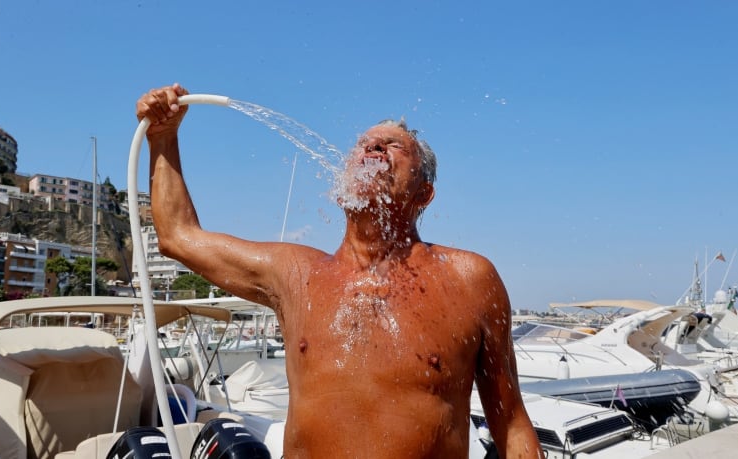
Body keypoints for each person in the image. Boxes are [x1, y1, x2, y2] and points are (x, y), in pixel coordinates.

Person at [137, 83, 543, 459]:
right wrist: (163, 137)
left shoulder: (468, 279)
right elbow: (178, 236)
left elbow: (510, 424)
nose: (375, 147)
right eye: (365, 144)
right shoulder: (296, 275)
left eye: (394, 146)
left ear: (424, 192)